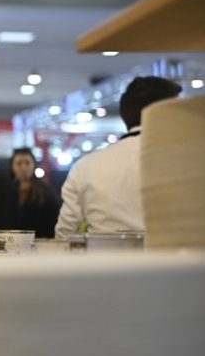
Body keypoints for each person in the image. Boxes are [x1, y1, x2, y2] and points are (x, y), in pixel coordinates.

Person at [54, 76, 183, 240]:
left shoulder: (85, 167)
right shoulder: (186, 163)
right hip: (174, 263)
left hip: (104, 264)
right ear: (166, 114)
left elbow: (65, 236)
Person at [0, 147, 60, 238]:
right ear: (12, 166)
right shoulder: (5, 191)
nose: (23, 167)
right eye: (19, 163)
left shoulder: (46, 193)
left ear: (34, 165)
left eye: (27, 163)